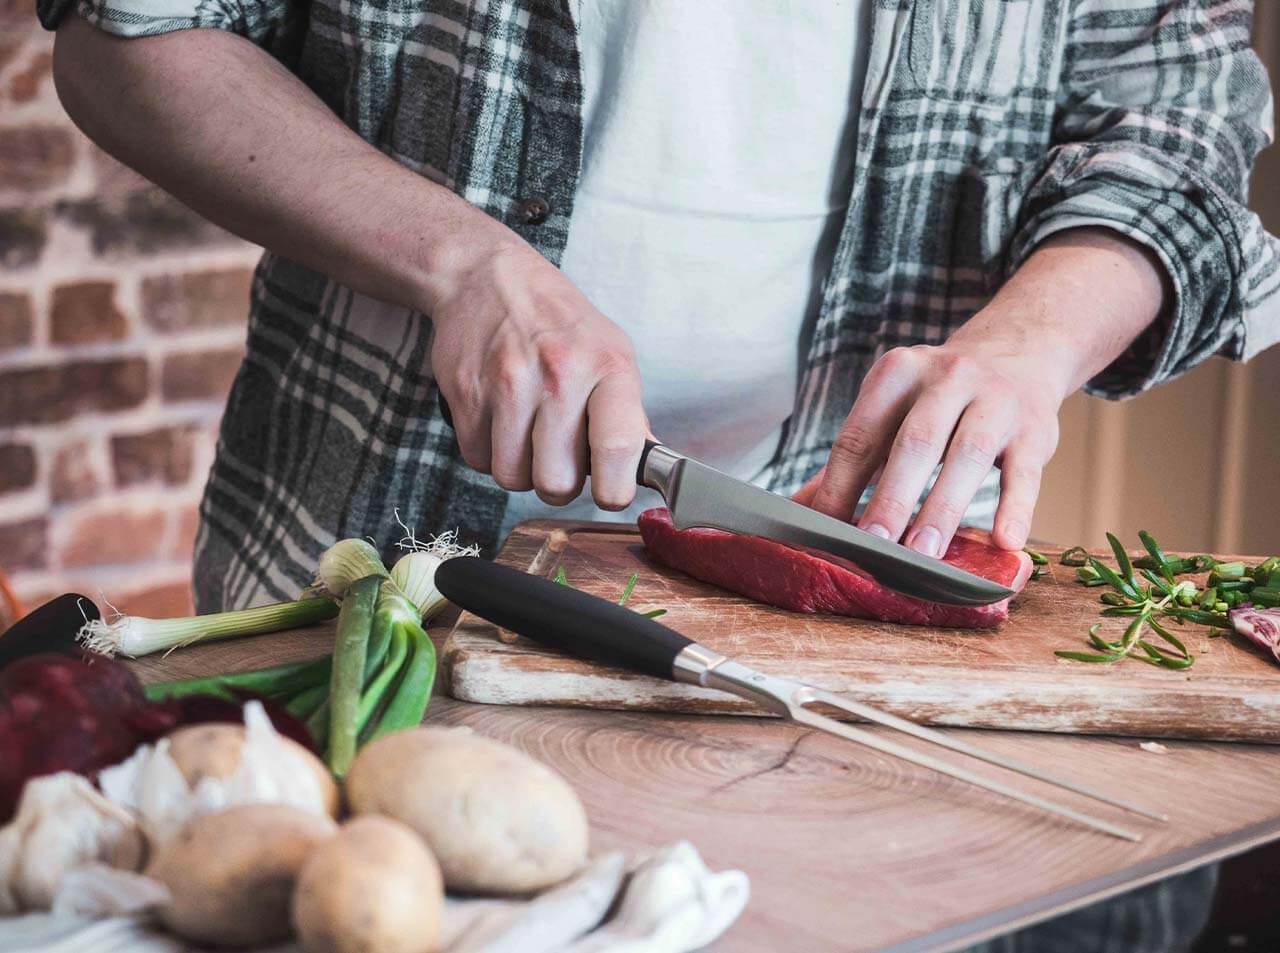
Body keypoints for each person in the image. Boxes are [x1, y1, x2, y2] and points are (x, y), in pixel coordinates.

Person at [43, 1, 1277, 946]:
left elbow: (1181, 122)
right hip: (357, 561)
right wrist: (460, 264)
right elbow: (134, 34)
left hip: (840, 644)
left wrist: (1033, 337)